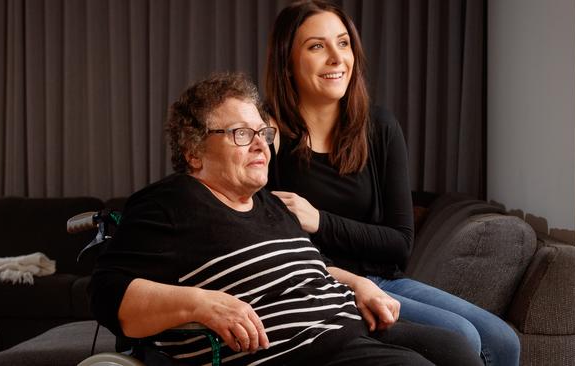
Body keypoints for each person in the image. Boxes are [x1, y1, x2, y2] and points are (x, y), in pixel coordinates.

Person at [89, 72, 482, 366]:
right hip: (295, 351)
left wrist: (360, 283)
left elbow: (315, 266)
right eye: (242, 133)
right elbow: (106, 293)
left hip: (343, 326)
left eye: (263, 131)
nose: (261, 143)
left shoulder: (269, 203)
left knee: (459, 349)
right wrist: (198, 303)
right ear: (194, 152)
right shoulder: (169, 201)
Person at [264, 1, 521, 365]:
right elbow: (275, 251)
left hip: (385, 278)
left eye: (344, 43)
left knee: (503, 340)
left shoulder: (379, 128)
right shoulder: (265, 140)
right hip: (321, 289)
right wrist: (354, 281)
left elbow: (399, 244)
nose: (338, 58)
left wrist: (319, 220)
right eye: (317, 46)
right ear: (286, 63)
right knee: (461, 337)